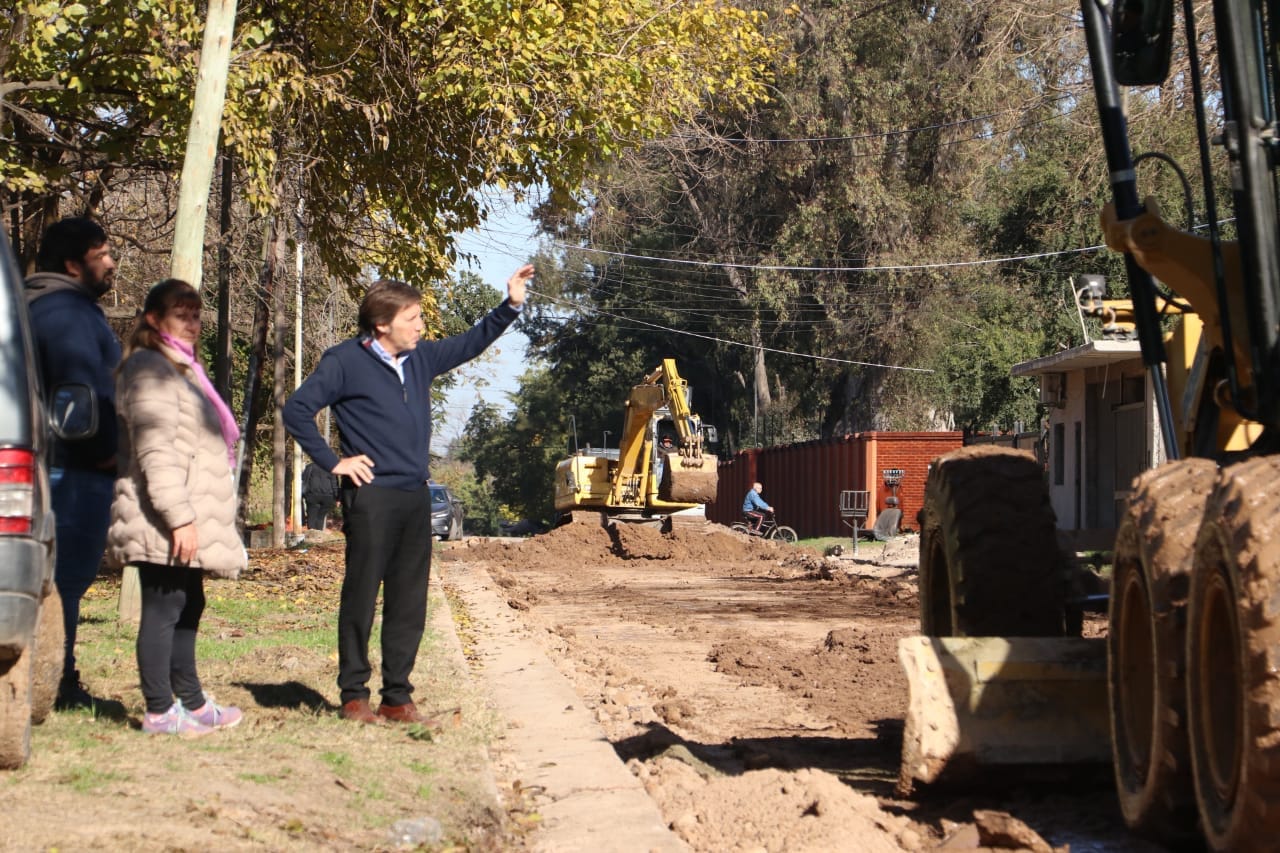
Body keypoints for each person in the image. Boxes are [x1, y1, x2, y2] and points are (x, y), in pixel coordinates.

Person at [284, 263, 534, 725]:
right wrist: (334, 461)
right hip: (371, 496)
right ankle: (354, 695)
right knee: (361, 595)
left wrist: (511, 305)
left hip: (414, 496)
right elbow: (297, 410)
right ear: (383, 324)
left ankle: (397, 698)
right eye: (413, 317)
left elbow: (471, 342)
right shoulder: (344, 361)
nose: (421, 325)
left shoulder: (421, 358)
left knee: (409, 599)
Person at [106, 279, 247, 737]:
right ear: (153, 319)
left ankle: (190, 699)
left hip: (185, 513)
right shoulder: (150, 369)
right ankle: (160, 710)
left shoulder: (184, 369)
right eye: (180, 313)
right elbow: (156, 452)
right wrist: (180, 517)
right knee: (164, 607)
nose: (191, 321)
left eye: (195, 313)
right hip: (160, 516)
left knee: (189, 604)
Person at [24, 216, 121, 710]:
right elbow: (80, 390)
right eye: (102, 253)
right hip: (71, 468)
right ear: (71, 264)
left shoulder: (40, 305)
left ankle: (54, 675)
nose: (111, 262)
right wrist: (104, 449)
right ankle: (53, 681)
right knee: (63, 580)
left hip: (58, 463)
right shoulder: (65, 312)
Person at [302, 461, 340, 531]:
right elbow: (335, 484)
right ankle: (319, 534)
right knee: (321, 516)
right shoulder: (330, 468)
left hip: (312, 494)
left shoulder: (310, 467)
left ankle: (312, 534)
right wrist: (337, 498)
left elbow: (304, 480)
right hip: (328, 496)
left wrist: (303, 494)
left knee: (312, 515)